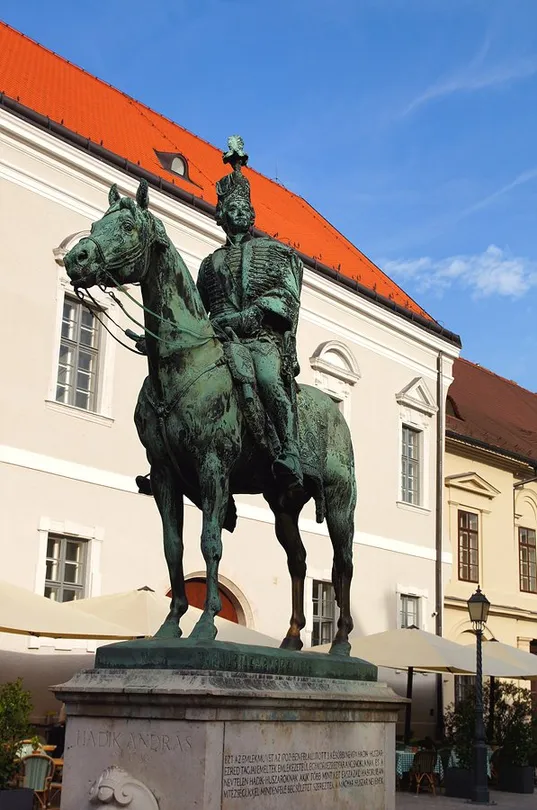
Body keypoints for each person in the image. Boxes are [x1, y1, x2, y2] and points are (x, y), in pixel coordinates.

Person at [197, 136, 304, 493]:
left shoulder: (273, 253)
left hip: (260, 339)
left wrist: (256, 313)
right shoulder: (208, 265)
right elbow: (198, 310)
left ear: (252, 213)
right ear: (221, 214)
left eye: (245, 206)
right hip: (221, 340)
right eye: (232, 207)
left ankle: (289, 450)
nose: (239, 211)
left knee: (269, 380)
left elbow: (286, 295)